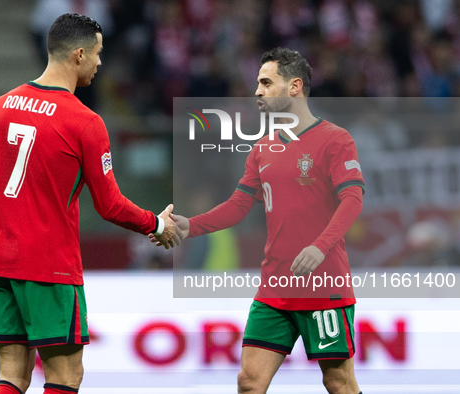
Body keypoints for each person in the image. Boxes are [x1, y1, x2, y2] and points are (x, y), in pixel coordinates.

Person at [0, 14, 175, 394]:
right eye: (98, 53)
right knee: (65, 377)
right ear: (78, 55)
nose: (100, 62)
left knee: (12, 375)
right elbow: (109, 206)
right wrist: (155, 225)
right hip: (49, 267)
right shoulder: (84, 122)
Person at [153, 48, 364, 394]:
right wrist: (191, 226)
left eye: (266, 82)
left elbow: (352, 200)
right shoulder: (262, 148)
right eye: (257, 83)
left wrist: (319, 247)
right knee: (250, 382)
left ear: (294, 87)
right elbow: (238, 205)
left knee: (338, 381)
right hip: (274, 288)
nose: (258, 91)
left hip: (322, 286)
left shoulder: (335, 140)